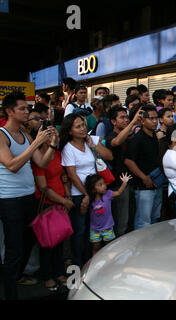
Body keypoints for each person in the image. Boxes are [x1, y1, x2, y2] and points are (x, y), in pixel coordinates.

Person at [0, 92, 57, 300]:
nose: (27, 112)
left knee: (30, 241)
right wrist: (36, 143)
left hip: (27, 197)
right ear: (9, 111)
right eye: (23, 108)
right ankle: (10, 293)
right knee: (14, 248)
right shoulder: (1, 134)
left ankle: (14, 277)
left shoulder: (25, 134)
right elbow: (12, 165)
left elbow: (41, 162)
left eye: (27, 108)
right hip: (9, 199)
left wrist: (51, 144)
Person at [60, 113, 113, 268]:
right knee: (80, 231)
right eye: (78, 126)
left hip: (96, 194)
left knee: (94, 231)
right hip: (79, 195)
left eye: (83, 125)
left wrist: (93, 145)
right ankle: (78, 265)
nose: (83, 129)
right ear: (70, 131)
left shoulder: (91, 140)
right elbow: (72, 174)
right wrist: (85, 194)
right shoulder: (68, 148)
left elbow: (109, 156)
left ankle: (92, 262)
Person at [32, 128, 72, 292]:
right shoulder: (39, 158)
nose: (54, 138)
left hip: (61, 203)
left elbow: (63, 177)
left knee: (59, 240)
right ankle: (47, 276)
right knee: (47, 243)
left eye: (55, 135)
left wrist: (67, 196)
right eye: (50, 136)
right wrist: (63, 200)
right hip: (48, 203)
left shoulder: (57, 154)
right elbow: (43, 187)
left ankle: (59, 272)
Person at [105, 105, 143, 236]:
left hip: (132, 181)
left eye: (127, 117)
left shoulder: (130, 135)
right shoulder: (111, 135)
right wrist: (133, 123)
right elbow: (116, 142)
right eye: (122, 117)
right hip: (119, 183)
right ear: (113, 121)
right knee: (122, 220)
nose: (126, 120)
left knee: (132, 217)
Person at [124, 106, 162, 229]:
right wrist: (144, 177)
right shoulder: (138, 138)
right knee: (143, 221)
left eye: (156, 118)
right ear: (143, 121)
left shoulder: (154, 136)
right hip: (143, 186)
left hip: (156, 183)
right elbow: (128, 161)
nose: (155, 121)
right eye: (151, 118)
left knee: (154, 217)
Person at [84, 172, 132, 256]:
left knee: (109, 248)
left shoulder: (108, 194)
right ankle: (95, 265)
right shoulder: (90, 200)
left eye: (103, 183)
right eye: (100, 185)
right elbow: (83, 212)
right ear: (93, 189)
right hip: (95, 230)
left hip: (108, 228)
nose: (104, 186)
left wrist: (124, 182)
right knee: (96, 248)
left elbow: (119, 192)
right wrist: (83, 206)